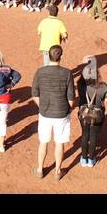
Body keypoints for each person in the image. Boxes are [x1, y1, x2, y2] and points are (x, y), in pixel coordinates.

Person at [31, 45, 74, 180]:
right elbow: (71, 98)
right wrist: (68, 109)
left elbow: (34, 94)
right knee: (59, 143)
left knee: (43, 142)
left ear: (48, 55)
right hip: (62, 114)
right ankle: (57, 171)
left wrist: (41, 106)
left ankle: (39, 170)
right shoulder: (67, 73)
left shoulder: (39, 72)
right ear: (61, 57)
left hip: (45, 113)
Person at [76, 56, 107, 167]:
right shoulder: (103, 86)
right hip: (97, 115)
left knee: (85, 134)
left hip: (84, 113)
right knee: (93, 135)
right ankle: (91, 159)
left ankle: (83, 158)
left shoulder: (81, 85)